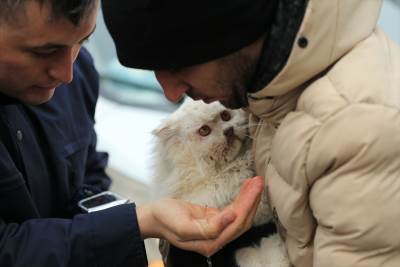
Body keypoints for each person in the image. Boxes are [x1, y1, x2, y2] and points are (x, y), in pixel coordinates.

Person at [102, 0, 400, 266]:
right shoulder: (262, 87)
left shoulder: (363, 124)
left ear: (229, 34)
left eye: (176, 65)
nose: (170, 93)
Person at [0, 0, 266, 266]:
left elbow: (87, 178)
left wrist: (120, 222)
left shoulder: (79, 74)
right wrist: (141, 222)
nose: (67, 72)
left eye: (83, 41)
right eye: (44, 51)